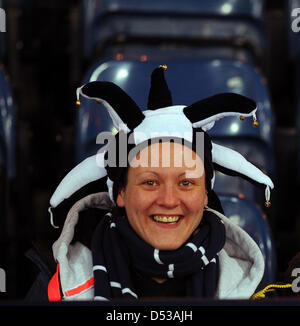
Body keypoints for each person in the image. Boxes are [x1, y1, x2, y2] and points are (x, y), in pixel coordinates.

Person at [25, 65, 294, 301]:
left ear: (205, 195)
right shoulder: (57, 285)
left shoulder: (250, 290)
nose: (168, 200)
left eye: (186, 183)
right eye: (150, 182)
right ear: (120, 192)